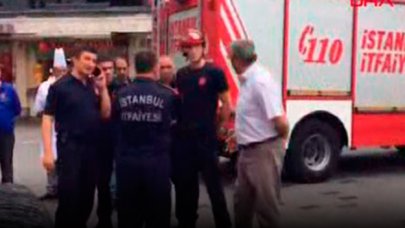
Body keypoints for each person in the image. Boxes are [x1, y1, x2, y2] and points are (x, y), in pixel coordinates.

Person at [42, 45, 111, 228]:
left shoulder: (91, 84)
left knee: (87, 198)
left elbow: (105, 114)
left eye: (94, 61)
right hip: (70, 147)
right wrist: (48, 152)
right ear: (75, 60)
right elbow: (47, 118)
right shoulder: (60, 87)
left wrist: (103, 89)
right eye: (87, 59)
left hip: (92, 148)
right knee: (69, 199)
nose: (91, 64)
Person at [172, 29, 232, 228]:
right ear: (185, 51)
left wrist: (221, 127)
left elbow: (227, 103)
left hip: (206, 138)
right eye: (190, 47)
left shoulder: (215, 72)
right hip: (185, 140)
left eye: (197, 46)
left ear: (203, 47)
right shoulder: (181, 75)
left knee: (214, 187)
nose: (194, 50)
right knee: (186, 188)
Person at [228, 40, 289, 228]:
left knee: (266, 208)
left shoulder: (261, 82)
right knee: (242, 205)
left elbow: (280, 121)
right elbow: (254, 115)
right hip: (247, 152)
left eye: (231, 56)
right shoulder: (248, 81)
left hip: (263, 150)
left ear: (236, 59)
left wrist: (277, 145)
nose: (229, 59)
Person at [114, 51, 176, 228]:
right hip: (157, 164)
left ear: (134, 67)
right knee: (158, 218)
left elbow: (114, 124)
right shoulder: (168, 95)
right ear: (155, 67)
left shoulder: (121, 94)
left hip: (127, 164)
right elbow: (175, 125)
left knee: (128, 218)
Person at [34, 48, 68, 200]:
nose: (61, 72)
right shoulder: (44, 87)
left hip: (66, 129)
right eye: (58, 70)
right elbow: (39, 109)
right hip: (50, 128)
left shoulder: (71, 86)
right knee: (50, 160)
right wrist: (48, 114)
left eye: (63, 70)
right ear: (53, 70)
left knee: (64, 161)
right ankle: (51, 189)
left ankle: (64, 188)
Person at [95, 54, 115, 228]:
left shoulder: (122, 88)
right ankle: (104, 219)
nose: (107, 72)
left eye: (110, 68)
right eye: (104, 68)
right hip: (97, 143)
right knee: (102, 184)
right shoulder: (90, 88)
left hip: (118, 143)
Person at [0, 64, 21, 184]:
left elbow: (17, 109)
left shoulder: (10, 90)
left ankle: (8, 195)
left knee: (6, 163)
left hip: (6, 134)